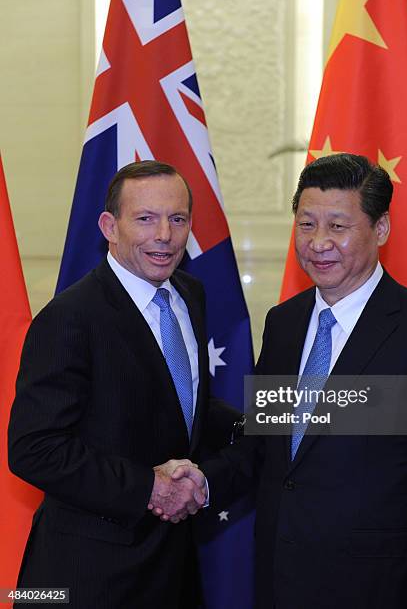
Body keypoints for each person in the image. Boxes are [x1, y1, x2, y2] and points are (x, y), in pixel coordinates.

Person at [167, 154, 407, 609]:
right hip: (280, 581)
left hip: (378, 588)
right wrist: (199, 480)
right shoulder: (284, 324)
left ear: (380, 230)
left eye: (338, 226)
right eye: (306, 224)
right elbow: (266, 444)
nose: (319, 243)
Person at [8, 160, 238, 608]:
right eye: (146, 218)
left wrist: (266, 423)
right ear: (109, 226)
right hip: (85, 577)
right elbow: (34, 448)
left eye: (177, 219)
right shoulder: (70, 317)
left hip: (171, 570)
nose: (164, 236)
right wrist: (148, 487)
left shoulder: (190, 294)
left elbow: (177, 406)